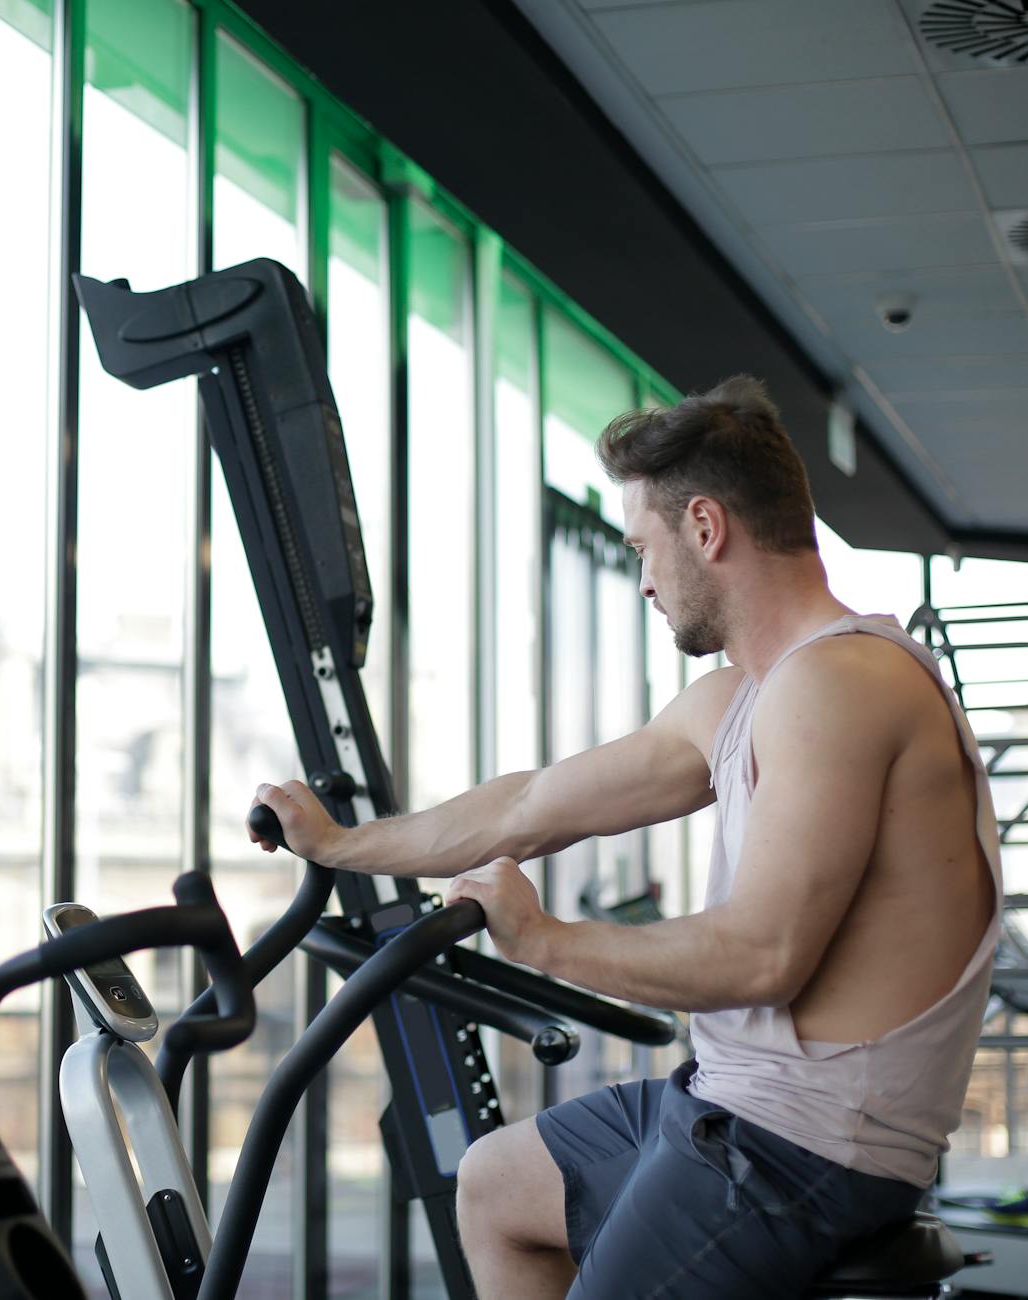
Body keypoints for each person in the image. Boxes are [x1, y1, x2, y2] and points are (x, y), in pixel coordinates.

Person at [248, 376, 1001, 1299]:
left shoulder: (841, 684)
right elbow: (526, 808)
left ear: (704, 527)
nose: (642, 578)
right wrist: (340, 844)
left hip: (806, 1147)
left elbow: (761, 957)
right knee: (493, 1185)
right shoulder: (745, 697)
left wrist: (543, 942)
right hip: (731, 1104)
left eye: (643, 547)